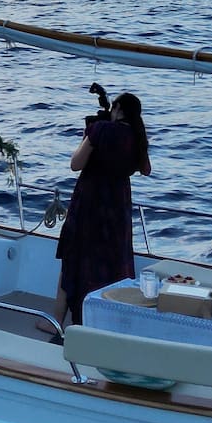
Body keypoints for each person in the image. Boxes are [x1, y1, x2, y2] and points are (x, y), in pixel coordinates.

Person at [52, 86, 151, 326]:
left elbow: (76, 164)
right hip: (117, 206)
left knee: (74, 259)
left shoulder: (101, 130)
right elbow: (145, 169)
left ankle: (56, 320)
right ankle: (107, 320)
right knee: (113, 263)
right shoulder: (137, 136)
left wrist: (91, 134)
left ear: (117, 109)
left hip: (90, 202)